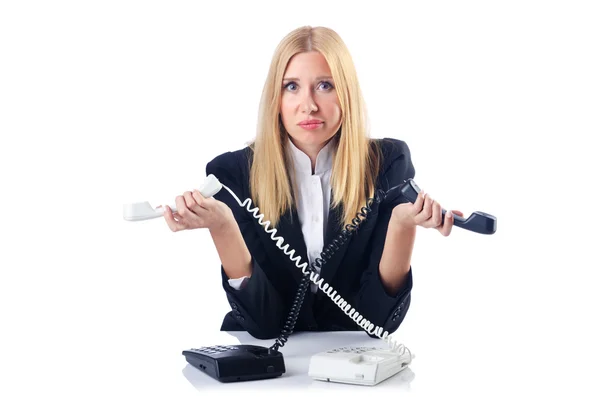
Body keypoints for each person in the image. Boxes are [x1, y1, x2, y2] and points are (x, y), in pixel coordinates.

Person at [161, 26, 463, 340]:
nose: (309, 105)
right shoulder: (233, 173)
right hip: (268, 365)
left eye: (324, 85)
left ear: (346, 92)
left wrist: (402, 225)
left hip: (353, 363)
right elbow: (264, 324)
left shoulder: (387, 163)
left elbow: (379, 321)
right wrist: (222, 226)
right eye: (291, 86)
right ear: (275, 99)